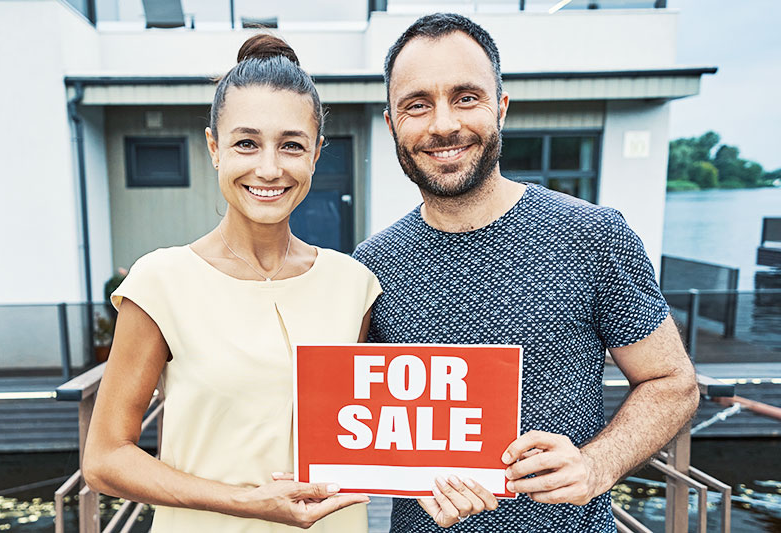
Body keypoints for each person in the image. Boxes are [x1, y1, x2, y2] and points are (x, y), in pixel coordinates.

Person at [352, 13, 699, 532]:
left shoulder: (593, 235)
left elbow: (672, 381)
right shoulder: (371, 265)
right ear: (390, 124)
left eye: (466, 97)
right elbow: (355, 421)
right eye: (417, 105)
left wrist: (597, 464)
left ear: (502, 107)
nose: (443, 124)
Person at [82, 35, 381, 532]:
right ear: (214, 148)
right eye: (246, 143)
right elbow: (105, 458)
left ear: (316, 154)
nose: (269, 168)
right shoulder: (160, 282)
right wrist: (246, 502)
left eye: (291, 145)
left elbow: (372, 434)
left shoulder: (354, 284)